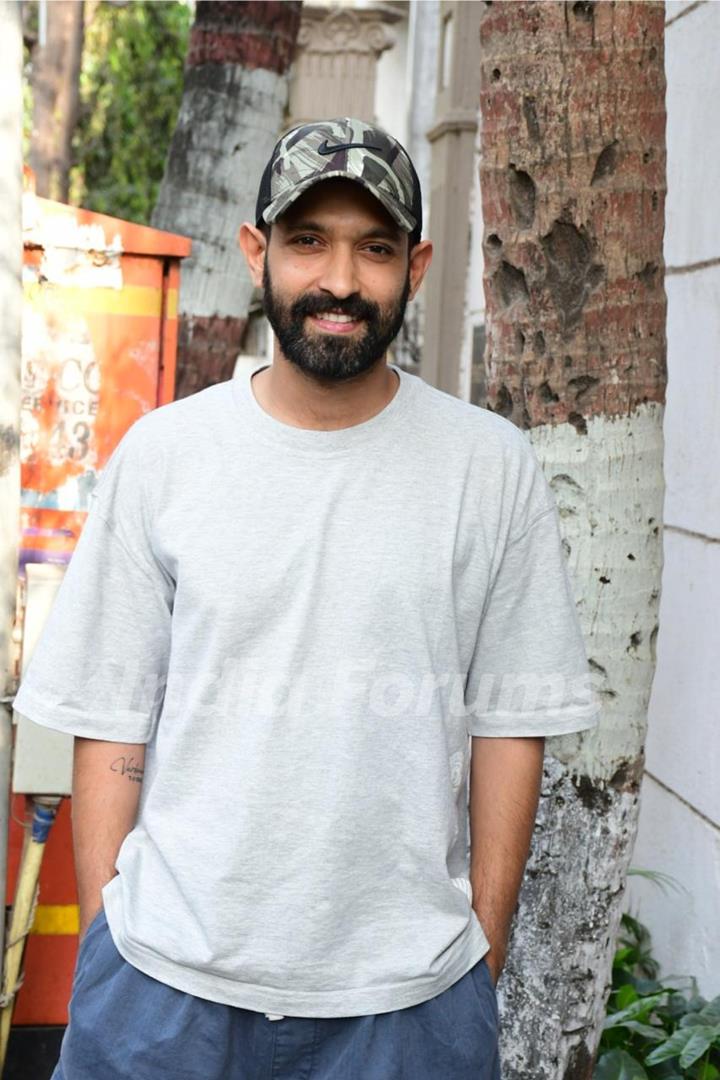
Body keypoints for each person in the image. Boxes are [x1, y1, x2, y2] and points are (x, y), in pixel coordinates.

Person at [14, 118, 600, 1080]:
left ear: (415, 268)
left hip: (407, 1007)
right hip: (163, 998)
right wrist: (117, 935)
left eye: (373, 248)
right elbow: (111, 716)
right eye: (307, 241)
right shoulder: (167, 457)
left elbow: (511, 724)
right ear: (258, 253)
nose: (340, 280)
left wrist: (479, 953)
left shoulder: (488, 468)